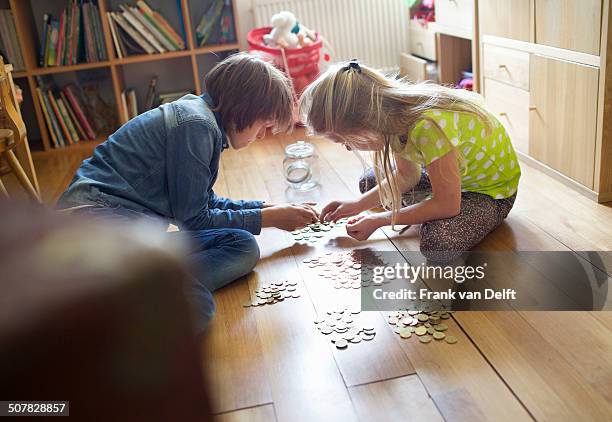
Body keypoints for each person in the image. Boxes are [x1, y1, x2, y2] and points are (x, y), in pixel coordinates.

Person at [57, 53, 319, 332]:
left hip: (114, 228)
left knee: (241, 245)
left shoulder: (201, 120)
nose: (264, 135)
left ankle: (135, 289)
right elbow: (194, 219)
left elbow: (203, 203)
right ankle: (126, 297)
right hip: (97, 226)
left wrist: (266, 208)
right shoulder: (196, 125)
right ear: (244, 108)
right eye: (264, 124)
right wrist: (271, 219)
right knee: (199, 306)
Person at [300, 60, 521, 263]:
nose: (347, 148)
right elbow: (407, 175)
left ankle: (435, 209)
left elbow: (447, 205)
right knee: (367, 183)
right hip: (454, 177)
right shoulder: (390, 117)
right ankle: (426, 207)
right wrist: (356, 206)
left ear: (365, 122)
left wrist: (381, 220)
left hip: (491, 193)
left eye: (343, 140)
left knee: (438, 244)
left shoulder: (428, 126)